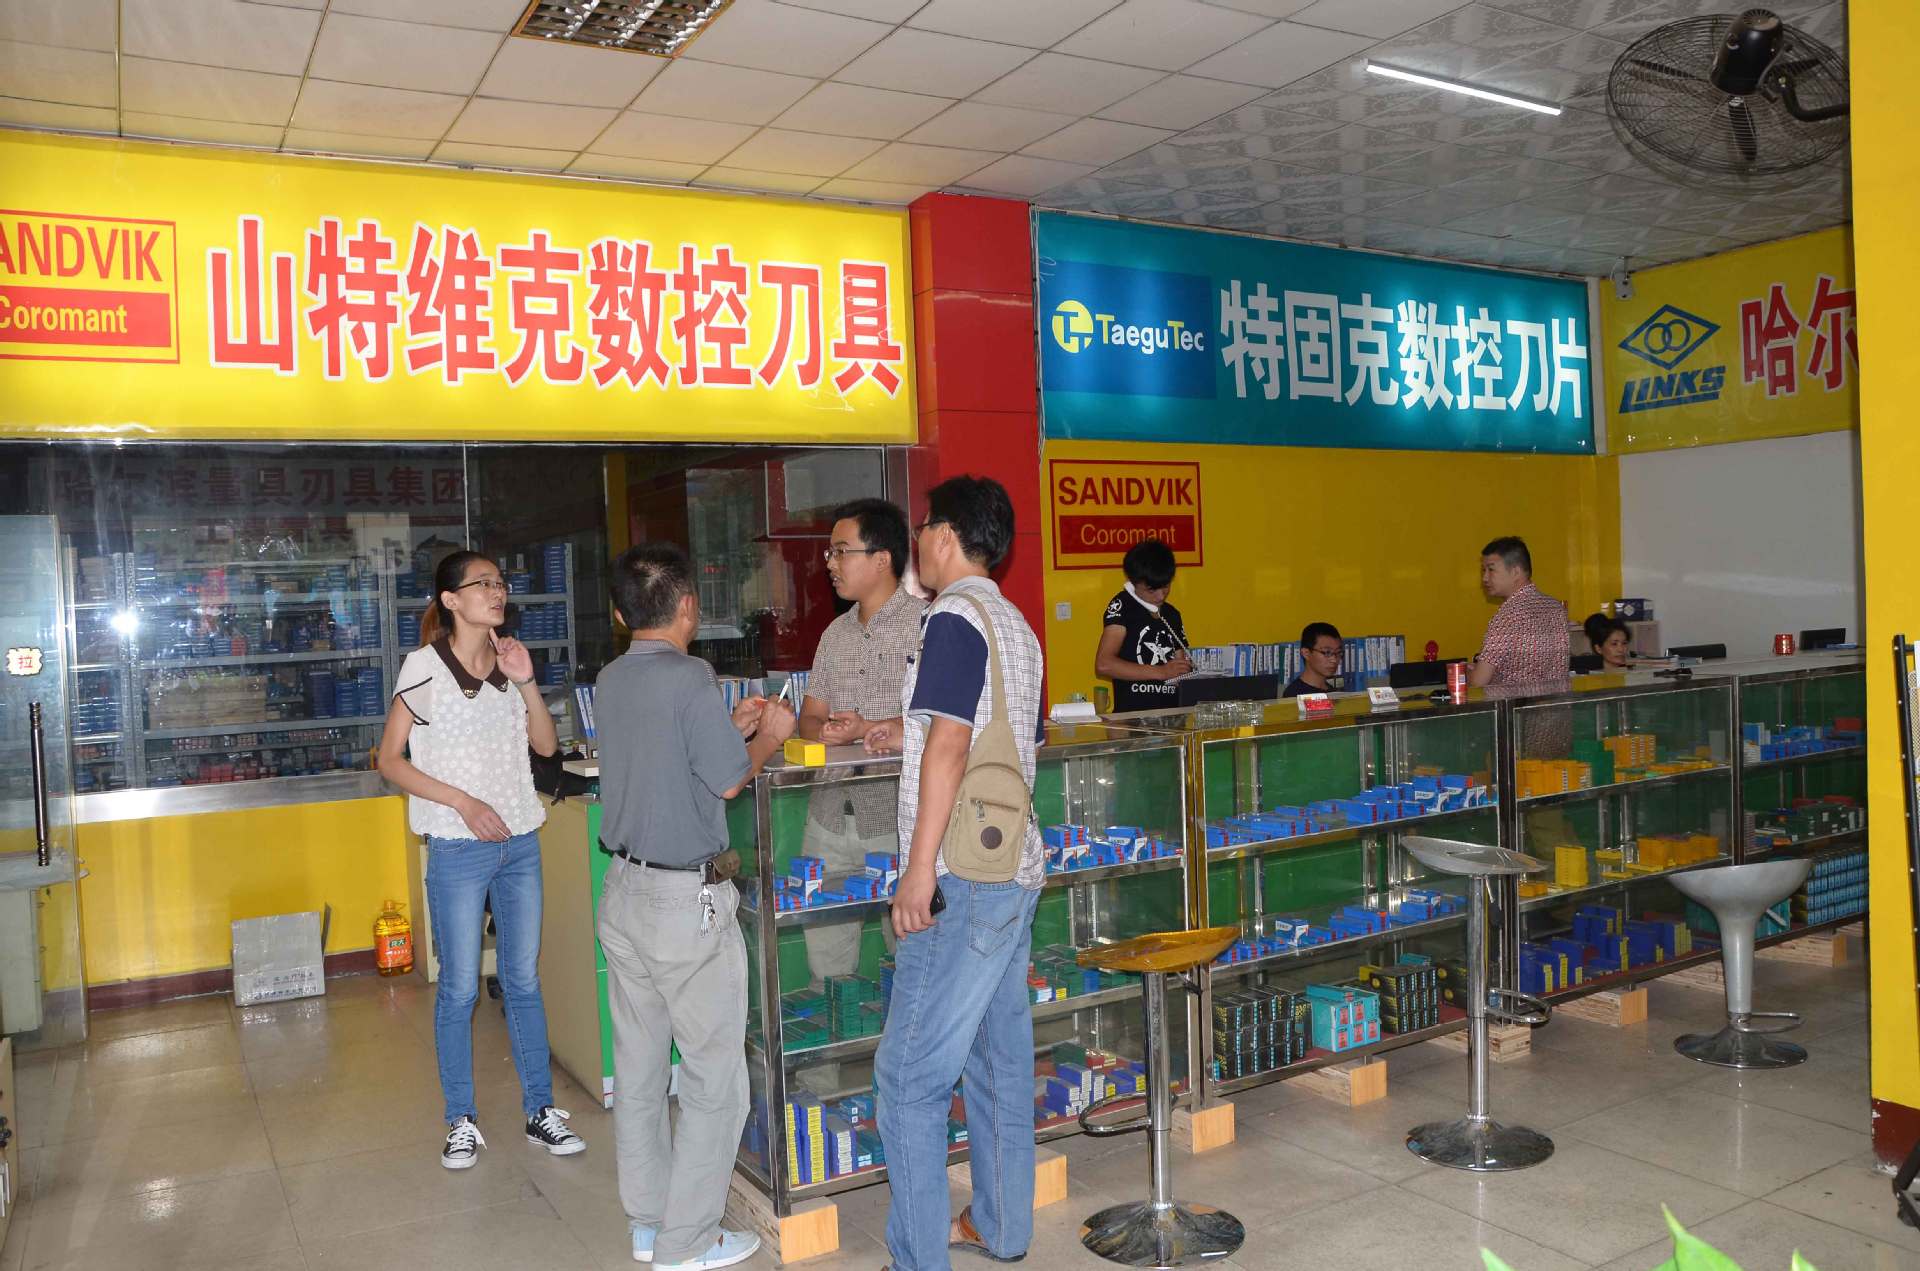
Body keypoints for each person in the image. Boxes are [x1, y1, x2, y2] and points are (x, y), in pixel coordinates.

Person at [593, 543, 797, 1271]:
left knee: (641, 1072)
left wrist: (726, 729)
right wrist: (768, 736)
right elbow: (728, 783)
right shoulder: (690, 676)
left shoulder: (611, 678)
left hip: (622, 894)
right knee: (715, 1080)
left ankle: (650, 1224)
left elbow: (668, 759)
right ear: (688, 607)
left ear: (622, 615)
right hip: (684, 906)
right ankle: (688, 1243)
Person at [864, 476, 1046, 1271]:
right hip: (1013, 867)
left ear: (944, 534)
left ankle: (916, 1260)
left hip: (961, 877)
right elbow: (1000, 736)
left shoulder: (952, 617)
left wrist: (918, 874)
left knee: (908, 1076)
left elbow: (949, 747)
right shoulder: (1016, 625)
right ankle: (1001, 1227)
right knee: (999, 1061)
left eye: (922, 530)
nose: (917, 546)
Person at [379, 549, 585, 1169]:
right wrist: (463, 802)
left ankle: (540, 1111)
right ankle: (460, 1120)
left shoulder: (509, 661)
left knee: (522, 979)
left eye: (500, 583)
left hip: (519, 843)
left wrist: (526, 681)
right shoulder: (423, 667)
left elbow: (545, 747)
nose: (498, 592)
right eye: (483, 584)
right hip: (457, 846)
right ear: (450, 600)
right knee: (460, 987)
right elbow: (389, 761)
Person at [796, 499, 923, 986]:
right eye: (830, 553)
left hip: (898, 819)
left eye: (841, 551)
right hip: (828, 816)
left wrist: (864, 727)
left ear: (882, 558)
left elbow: (938, 723)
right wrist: (824, 732)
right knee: (827, 966)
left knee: (911, 958)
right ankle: (837, 1036)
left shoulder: (927, 625)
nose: (830, 563)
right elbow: (810, 716)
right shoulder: (834, 634)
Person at [1095, 538, 1191, 713]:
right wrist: (1161, 672)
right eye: (1152, 590)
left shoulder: (1172, 614)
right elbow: (1104, 664)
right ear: (1134, 583)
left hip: (1172, 718)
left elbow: (1180, 665)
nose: (1161, 596)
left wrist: (1186, 673)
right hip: (1132, 719)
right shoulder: (1123, 605)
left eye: (1166, 587)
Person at [1468, 536, 1570, 694]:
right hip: (1554, 706)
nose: (1485, 578)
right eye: (1483, 570)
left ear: (1516, 572)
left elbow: (1478, 681)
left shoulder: (1509, 614)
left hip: (1515, 708)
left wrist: (1466, 673)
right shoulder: (1556, 607)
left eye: (1491, 569)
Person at [1283, 622, 1343, 697]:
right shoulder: (1295, 695)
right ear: (1306, 653)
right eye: (1327, 652)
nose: (1334, 660)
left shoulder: (1334, 693)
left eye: (1338, 652)